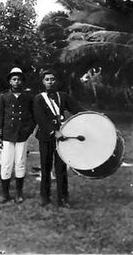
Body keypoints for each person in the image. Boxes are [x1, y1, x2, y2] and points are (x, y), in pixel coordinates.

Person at [33, 69, 82, 208]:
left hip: (62, 137)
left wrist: (90, 116)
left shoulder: (63, 96)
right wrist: (53, 132)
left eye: (52, 79)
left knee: (61, 168)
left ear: (56, 81)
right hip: (46, 137)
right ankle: (45, 196)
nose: (50, 82)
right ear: (43, 82)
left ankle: (63, 197)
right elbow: (40, 118)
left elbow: (77, 109)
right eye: (47, 79)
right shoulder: (39, 98)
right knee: (46, 166)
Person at [0, 68, 36, 204]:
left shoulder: (28, 97)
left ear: (22, 81)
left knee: (20, 162)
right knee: (6, 163)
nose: (16, 81)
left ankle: (19, 192)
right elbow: (0, 116)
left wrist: (28, 130)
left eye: (19, 79)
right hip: (7, 134)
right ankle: (5, 193)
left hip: (21, 135)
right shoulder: (4, 97)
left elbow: (33, 116)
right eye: (14, 79)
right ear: (10, 81)